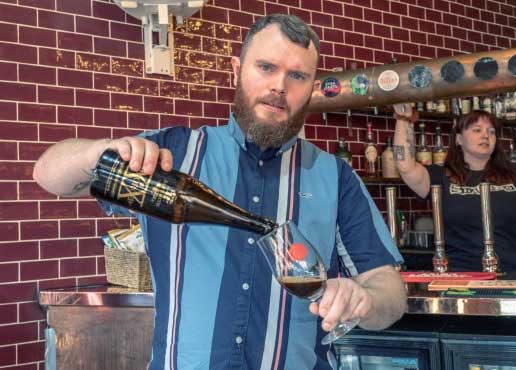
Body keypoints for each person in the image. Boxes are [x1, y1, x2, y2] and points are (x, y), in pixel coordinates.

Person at [34, 14, 406, 370]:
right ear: (236, 70)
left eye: (296, 75)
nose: (279, 86)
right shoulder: (173, 156)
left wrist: (366, 299)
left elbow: (391, 292)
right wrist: (100, 152)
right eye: (266, 67)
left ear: (311, 87)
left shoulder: (335, 177)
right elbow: (49, 174)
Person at [393, 104, 516, 272]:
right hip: (463, 280)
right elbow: (405, 166)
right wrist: (403, 119)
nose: (486, 135)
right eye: (477, 130)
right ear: (459, 139)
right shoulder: (442, 176)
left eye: (491, 131)